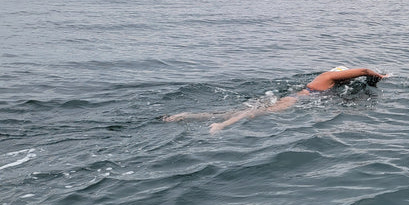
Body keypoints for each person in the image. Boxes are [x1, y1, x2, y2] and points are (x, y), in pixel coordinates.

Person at [164, 67, 388, 134]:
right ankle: (220, 126)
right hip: (294, 101)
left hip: (293, 97)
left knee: (237, 110)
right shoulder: (328, 78)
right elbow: (364, 70)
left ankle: (184, 117)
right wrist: (381, 76)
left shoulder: (326, 82)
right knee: (255, 113)